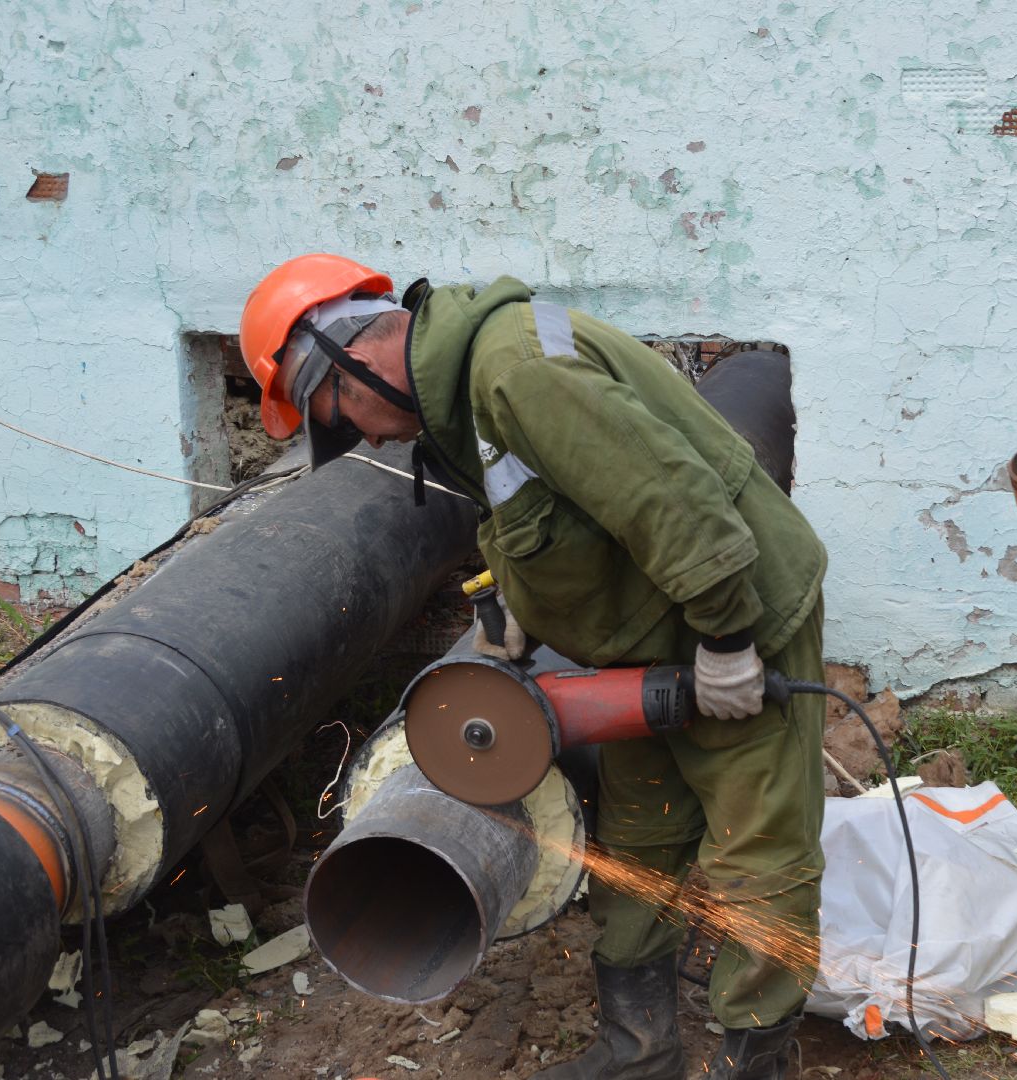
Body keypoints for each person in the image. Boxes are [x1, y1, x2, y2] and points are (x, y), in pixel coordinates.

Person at [239, 254, 829, 1079]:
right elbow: (548, 505)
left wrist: (730, 644)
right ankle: (639, 1053)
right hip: (648, 636)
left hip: (733, 615)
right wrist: (522, 603)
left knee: (754, 852)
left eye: (338, 412)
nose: (364, 435)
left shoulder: (515, 374)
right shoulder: (460, 398)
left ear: (356, 354)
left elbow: (672, 502)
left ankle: (757, 1064)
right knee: (639, 843)